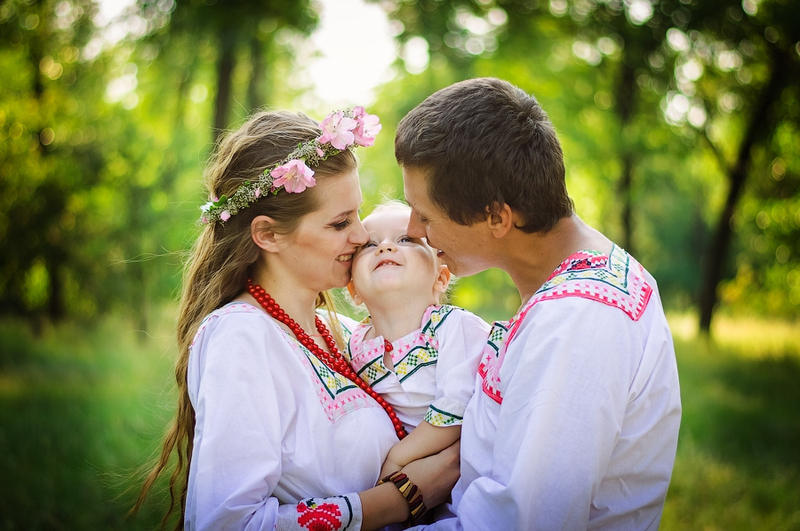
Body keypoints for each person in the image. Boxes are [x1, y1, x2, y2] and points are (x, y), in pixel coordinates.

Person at [132, 108, 459, 531]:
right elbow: (229, 524)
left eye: (357, 214)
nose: (362, 236)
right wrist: (402, 498)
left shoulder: (343, 332)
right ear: (268, 234)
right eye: (340, 223)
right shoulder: (242, 337)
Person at [394, 77, 682, 530]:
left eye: (425, 215)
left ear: (497, 217)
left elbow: (515, 521)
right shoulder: (576, 280)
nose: (413, 231)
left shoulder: (576, 322)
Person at [345, 202, 490, 478]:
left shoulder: (454, 327)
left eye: (405, 240)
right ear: (354, 291)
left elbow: (454, 408)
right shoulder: (355, 345)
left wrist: (397, 458)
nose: (385, 247)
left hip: (465, 472)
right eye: (369, 245)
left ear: (440, 278)